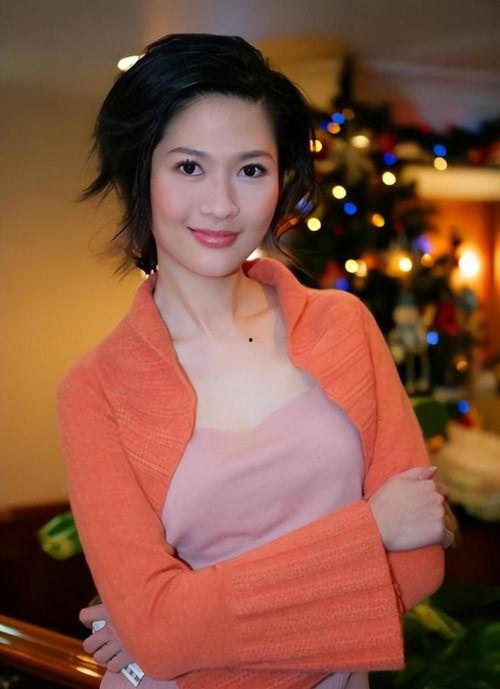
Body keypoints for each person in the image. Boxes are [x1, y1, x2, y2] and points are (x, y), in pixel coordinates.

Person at [57, 33, 453, 689]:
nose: (221, 204)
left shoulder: (342, 325)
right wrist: (370, 529)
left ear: (281, 181)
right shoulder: (95, 388)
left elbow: (417, 566)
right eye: (189, 167)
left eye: (251, 170)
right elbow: (159, 635)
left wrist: (194, 628)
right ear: (139, 174)